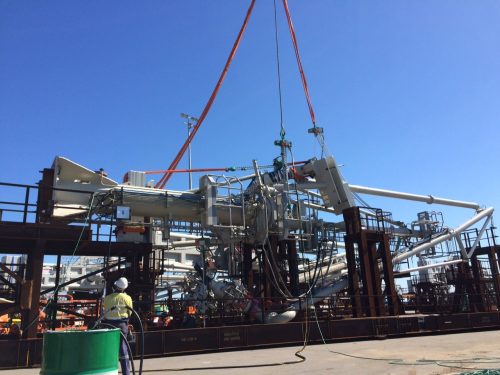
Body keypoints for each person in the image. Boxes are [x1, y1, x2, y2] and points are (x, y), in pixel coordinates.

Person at [103, 277, 133, 375]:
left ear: (115, 286)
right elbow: (130, 312)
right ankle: (126, 372)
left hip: (108, 325)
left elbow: (104, 311)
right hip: (122, 325)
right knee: (123, 348)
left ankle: (110, 371)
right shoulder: (127, 298)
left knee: (110, 348)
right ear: (124, 288)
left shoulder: (107, 298)